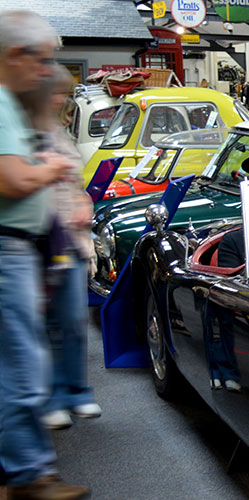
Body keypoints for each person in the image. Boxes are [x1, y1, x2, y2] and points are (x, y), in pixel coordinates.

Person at [0, 10, 90, 500]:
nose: (46, 72)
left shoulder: (12, 106)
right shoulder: (1, 105)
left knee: (21, 358)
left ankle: (24, 470)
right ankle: (28, 476)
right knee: (21, 363)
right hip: (8, 245)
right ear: (16, 54)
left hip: (23, 247)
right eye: (41, 61)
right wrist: (49, 166)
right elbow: (11, 179)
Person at [18, 64, 101, 431]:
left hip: (70, 240)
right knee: (47, 323)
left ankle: (77, 391)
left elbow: (73, 184)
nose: (62, 100)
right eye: (57, 93)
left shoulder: (58, 131)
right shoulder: (25, 133)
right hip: (42, 241)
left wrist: (84, 204)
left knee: (72, 320)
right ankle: (52, 396)